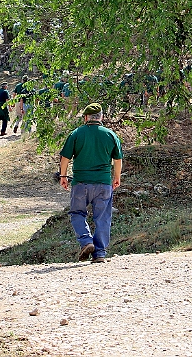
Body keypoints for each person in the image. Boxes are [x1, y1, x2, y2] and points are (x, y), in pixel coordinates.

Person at [59, 103, 122, 264]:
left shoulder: (77, 133)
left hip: (81, 183)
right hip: (103, 183)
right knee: (103, 217)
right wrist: (116, 177)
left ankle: (86, 241)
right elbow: (118, 160)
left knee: (77, 213)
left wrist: (63, 176)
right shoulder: (110, 135)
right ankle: (99, 253)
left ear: (86, 117)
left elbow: (65, 158)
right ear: (101, 117)